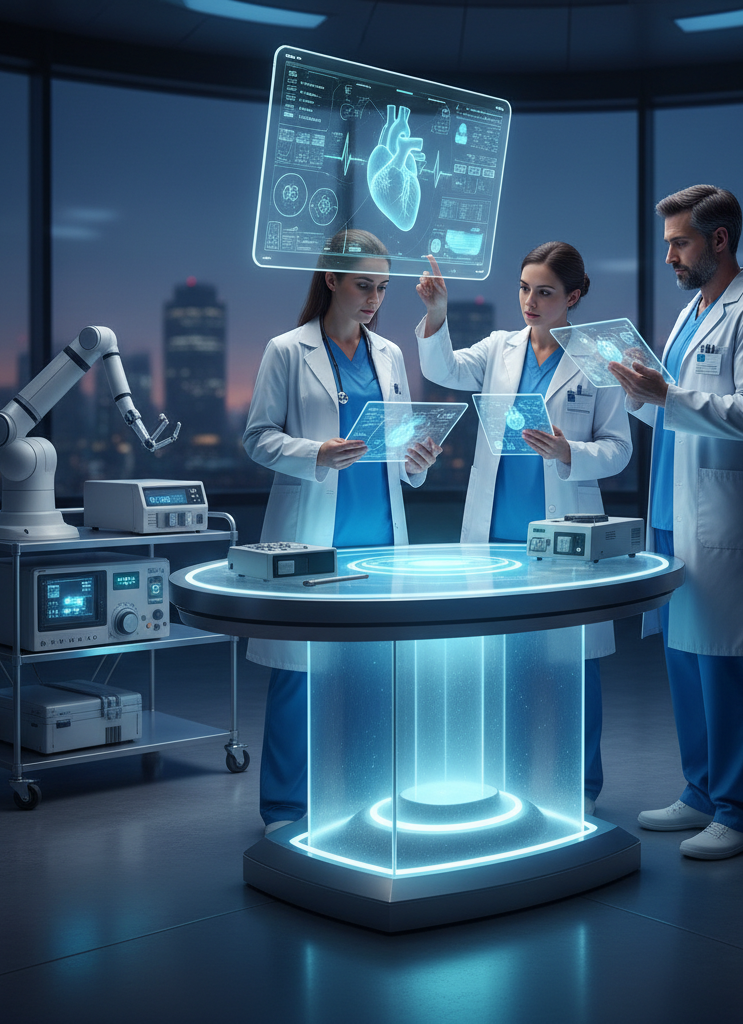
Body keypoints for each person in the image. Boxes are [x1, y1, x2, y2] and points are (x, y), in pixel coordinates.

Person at [608, 185, 743, 860]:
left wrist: (668, 394)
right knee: (685, 661)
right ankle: (700, 792)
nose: (670, 257)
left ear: (720, 241)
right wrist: (637, 393)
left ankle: (741, 815)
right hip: (672, 510)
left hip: (723, 518)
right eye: (667, 244)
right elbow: (672, 410)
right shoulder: (691, 312)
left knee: (731, 667)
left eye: (680, 242)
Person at [415, 242, 633, 815]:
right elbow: (442, 369)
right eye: (524, 288)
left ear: (575, 297)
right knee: (504, 664)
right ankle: (510, 782)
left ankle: (580, 791)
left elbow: (618, 451)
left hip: (564, 536)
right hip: (497, 536)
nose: (530, 302)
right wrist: (438, 316)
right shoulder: (498, 349)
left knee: (572, 666)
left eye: (545, 292)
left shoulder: (598, 357)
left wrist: (569, 451)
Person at [243, 228, 441, 835]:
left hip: (379, 539)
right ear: (330, 279)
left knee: (374, 677)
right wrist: (316, 453)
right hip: (315, 538)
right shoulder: (286, 350)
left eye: (382, 287)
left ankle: (365, 796)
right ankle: (285, 809)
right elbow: (258, 438)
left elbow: (399, 444)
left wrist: (418, 461)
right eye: (364, 285)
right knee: (298, 677)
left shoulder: (389, 355)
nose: (375, 298)